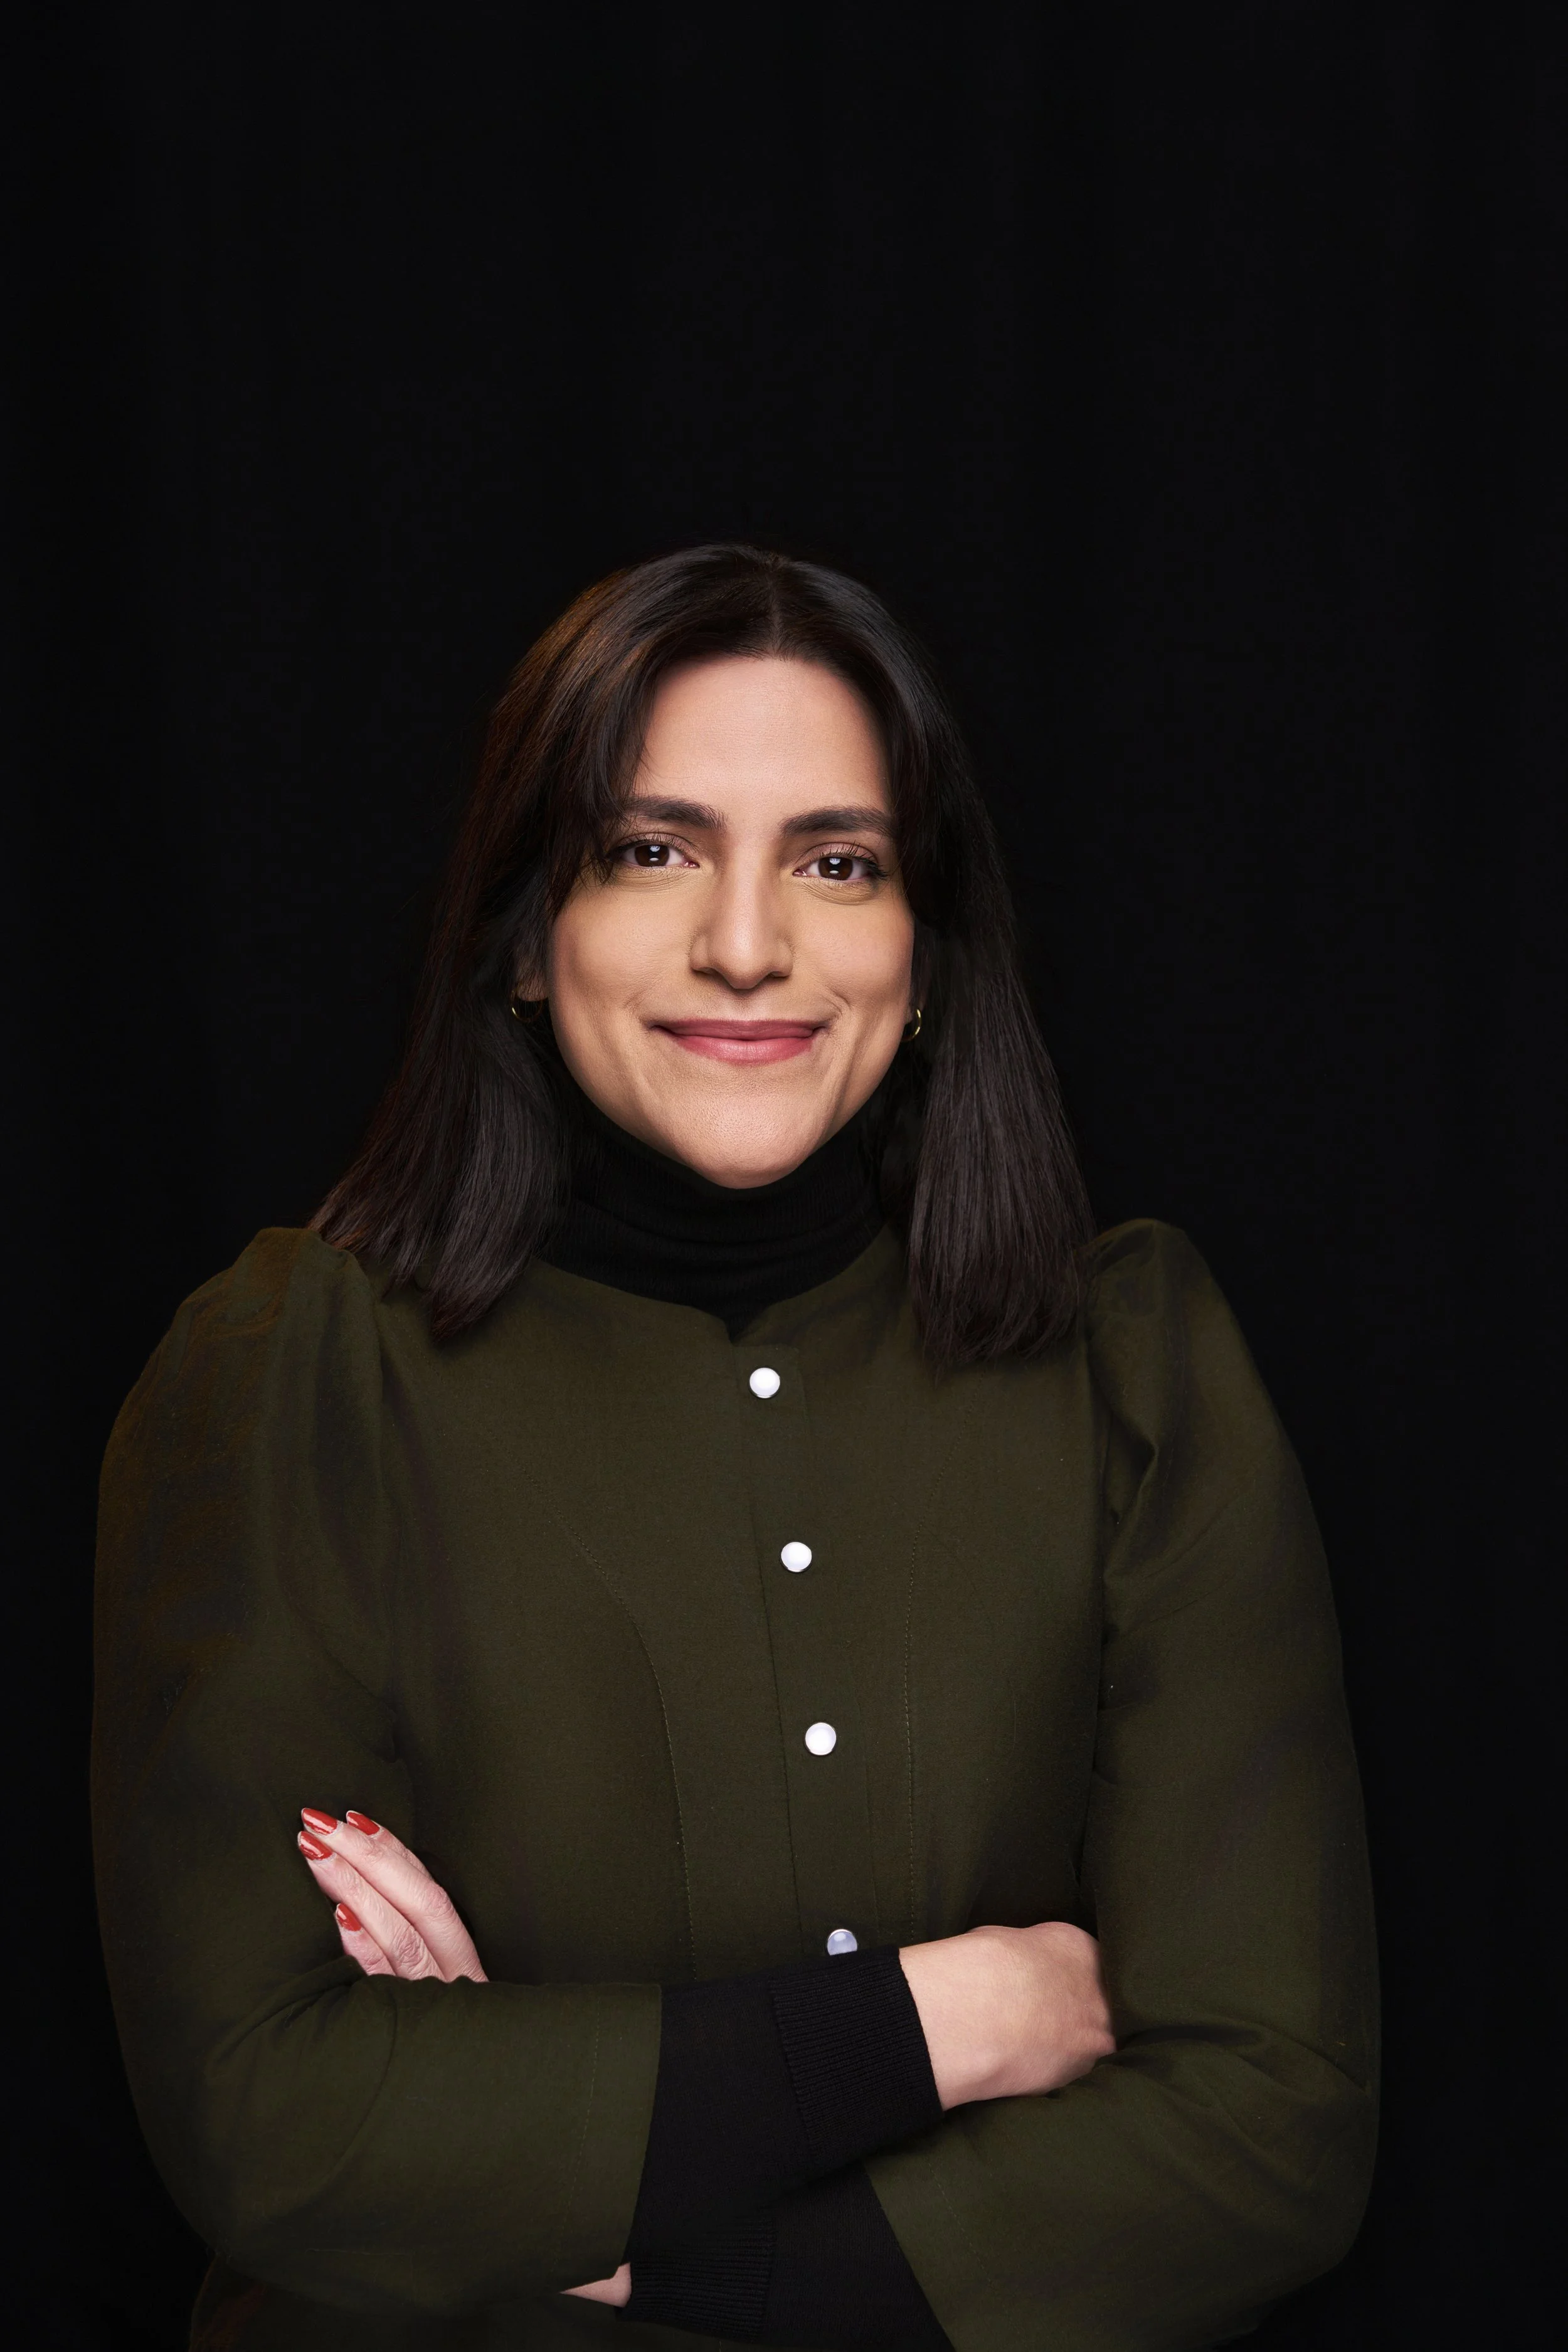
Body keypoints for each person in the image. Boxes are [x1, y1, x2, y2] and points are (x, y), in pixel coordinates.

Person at [93, 544, 1377, 2352]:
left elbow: (1269, 2125)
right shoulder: (290, 1375)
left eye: (837, 861)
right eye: (651, 848)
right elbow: (275, 2119)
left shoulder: (1132, 1373)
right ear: (528, 932)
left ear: (925, 953)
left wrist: (613, 2225)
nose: (749, 941)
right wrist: (958, 2019)